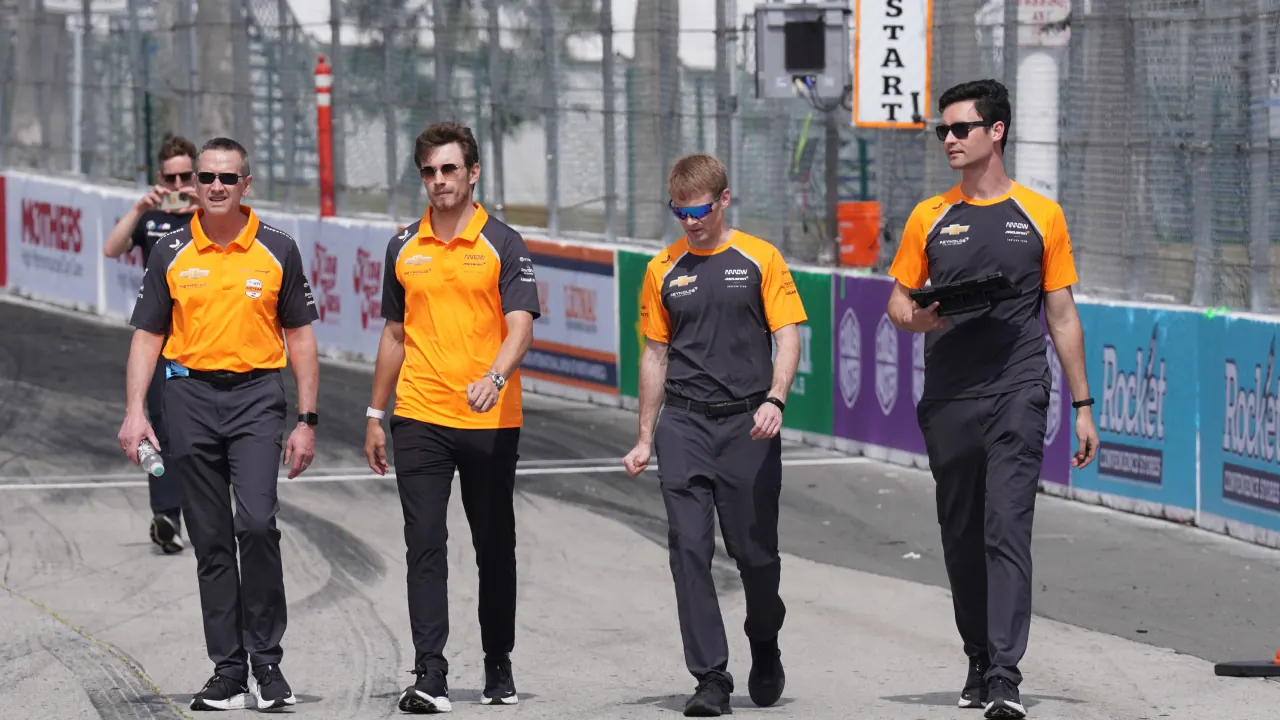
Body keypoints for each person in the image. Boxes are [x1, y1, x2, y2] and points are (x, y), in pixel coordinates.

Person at [884, 79, 1098, 719]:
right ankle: (977, 655)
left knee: (1007, 525)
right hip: (950, 392)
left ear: (995, 132)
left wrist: (1083, 405)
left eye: (960, 128)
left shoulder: (1041, 213)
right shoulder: (929, 215)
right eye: (942, 130)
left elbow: (1060, 315)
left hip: (1019, 386)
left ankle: (1005, 675)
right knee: (961, 532)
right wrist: (921, 319)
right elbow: (897, 299)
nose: (948, 139)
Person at [117, 136, 320, 712]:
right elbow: (148, 335)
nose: (214, 187)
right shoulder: (170, 249)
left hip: (258, 396)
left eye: (227, 178)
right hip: (188, 399)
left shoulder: (279, 248)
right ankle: (229, 672)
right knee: (210, 540)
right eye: (205, 177)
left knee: (255, 525)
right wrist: (136, 410)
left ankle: (268, 666)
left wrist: (306, 420)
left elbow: (301, 338)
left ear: (246, 185)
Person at [363, 121, 540, 714]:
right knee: (425, 543)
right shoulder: (402, 246)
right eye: (430, 172)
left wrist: (495, 376)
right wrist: (374, 413)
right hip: (418, 416)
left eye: (449, 170)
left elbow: (521, 325)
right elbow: (394, 334)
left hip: (490, 418)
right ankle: (430, 673)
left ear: (473, 173)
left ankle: (498, 660)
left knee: (494, 546)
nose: (440, 181)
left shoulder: (504, 244)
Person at [622, 153, 807, 717]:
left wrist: (776, 398)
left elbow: (788, 334)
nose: (690, 221)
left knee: (756, 556)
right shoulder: (663, 270)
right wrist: (645, 436)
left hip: (748, 424)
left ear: (724, 200)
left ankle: (765, 641)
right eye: (679, 211)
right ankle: (711, 677)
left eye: (699, 210)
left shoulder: (759, 258)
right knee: (688, 550)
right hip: (684, 424)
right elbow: (655, 355)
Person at [103, 132, 200, 555]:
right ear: (161, 177)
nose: (179, 187)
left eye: (186, 177)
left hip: (204, 340)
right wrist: (140, 208)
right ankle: (166, 516)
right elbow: (112, 249)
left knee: (200, 432)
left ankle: (203, 513)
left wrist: (206, 204)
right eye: (171, 178)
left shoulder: (210, 216)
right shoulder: (151, 218)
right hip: (160, 341)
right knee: (157, 426)